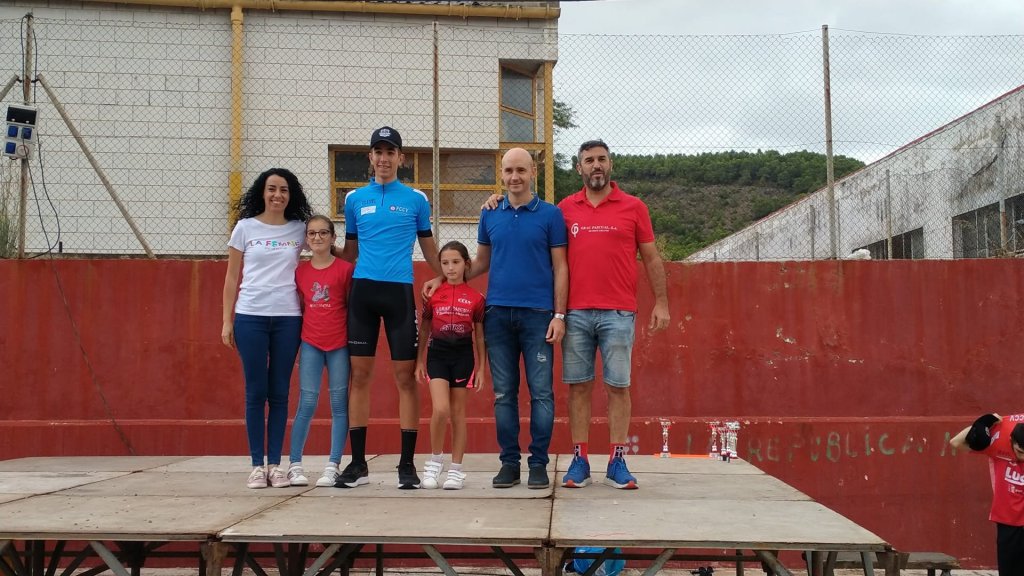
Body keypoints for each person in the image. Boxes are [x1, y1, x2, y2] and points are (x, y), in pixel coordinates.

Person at [424, 147, 568, 489]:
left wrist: (559, 314)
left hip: (538, 316)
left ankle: (538, 464)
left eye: (521, 170)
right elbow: (480, 263)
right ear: (501, 175)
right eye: (508, 171)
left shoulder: (551, 215)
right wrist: (444, 278)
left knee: (541, 394)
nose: (514, 177)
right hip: (498, 315)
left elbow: (561, 267)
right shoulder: (490, 214)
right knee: (504, 394)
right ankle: (509, 464)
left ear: (533, 172)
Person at [558, 140, 670, 490]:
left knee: (618, 387)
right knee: (579, 387)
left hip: (619, 313)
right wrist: (497, 201)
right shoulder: (564, 209)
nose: (596, 165)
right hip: (575, 313)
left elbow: (651, 257)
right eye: (589, 160)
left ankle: (617, 461)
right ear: (579, 168)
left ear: (611, 165)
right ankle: (579, 461)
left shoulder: (634, 207)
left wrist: (662, 302)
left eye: (602, 159)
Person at [337, 126, 441, 490]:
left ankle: (406, 465)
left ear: (401, 158)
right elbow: (349, 253)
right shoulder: (354, 199)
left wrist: (444, 277)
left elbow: (429, 248)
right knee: (359, 377)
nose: (384, 158)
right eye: (378, 152)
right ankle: (358, 463)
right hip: (363, 293)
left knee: (405, 379)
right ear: (370, 157)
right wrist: (321, 248)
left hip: (399, 293)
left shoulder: (416, 199)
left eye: (390, 152)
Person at [222, 168, 312, 489]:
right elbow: (232, 277)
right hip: (251, 317)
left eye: (284, 190)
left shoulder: (299, 229)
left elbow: (326, 249)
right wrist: (227, 320)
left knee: (279, 393)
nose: (277, 195)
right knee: (255, 391)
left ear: (291, 195)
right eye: (272, 188)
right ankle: (256, 466)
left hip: (288, 318)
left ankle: (275, 464)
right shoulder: (245, 228)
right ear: (262, 192)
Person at [286, 215, 354, 488]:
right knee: (307, 403)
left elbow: (349, 306)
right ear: (306, 239)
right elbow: (301, 308)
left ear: (333, 237)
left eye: (323, 233)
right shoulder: (300, 272)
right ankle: (294, 465)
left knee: (339, 405)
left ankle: (333, 465)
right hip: (311, 344)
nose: (317, 238)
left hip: (338, 345)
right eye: (312, 233)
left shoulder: (345, 270)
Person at [415, 241, 487, 490]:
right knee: (441, 409)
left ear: (466, 264)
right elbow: (425, 329)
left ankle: (456, 469)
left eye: (455, 262)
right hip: (437, 356)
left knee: (457, 413)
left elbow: (480, 336)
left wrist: (481, 368)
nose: (450, 268)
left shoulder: (477, 298)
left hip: (463, 358)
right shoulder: (432, 294)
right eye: (445, 263)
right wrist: (419, 361)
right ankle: (435, 462)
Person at [950, 413, 1024, 575]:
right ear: (1011, 441)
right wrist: (985, 421)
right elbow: (956, 442)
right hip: (1008, 520)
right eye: (1020, 452)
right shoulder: (997, 444)